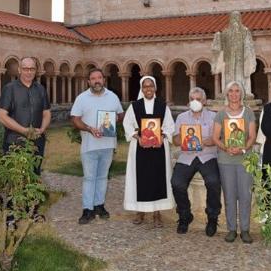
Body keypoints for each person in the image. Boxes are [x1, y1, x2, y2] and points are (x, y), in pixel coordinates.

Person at [71, 68, 124, 225]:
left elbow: (121, 115)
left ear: (104, 80)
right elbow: (75, 119)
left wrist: (113, 121)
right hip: (89, 145)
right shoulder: (82, 98)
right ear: (88, 82)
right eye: (93, 78)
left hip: (108, 145)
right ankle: (88, 209)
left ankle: (99, 205)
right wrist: (89, 128)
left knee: (102, 176)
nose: (97, 81)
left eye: (99, 77)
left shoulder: (112, 97)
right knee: (89, 178)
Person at [123, 76, 175, 227]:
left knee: (158, 179)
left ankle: (157, 214)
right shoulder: (134, 106)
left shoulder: (163, 106)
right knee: (140, 179)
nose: (148, 89)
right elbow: (127, 124)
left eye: (151, 86)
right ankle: (140, 212)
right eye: (145, 86)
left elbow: (170, 126)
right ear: (142, 89)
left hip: (159, 149)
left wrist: (162, 135)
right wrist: (137, 136)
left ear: (155, 88)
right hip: (139, 149)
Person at [171, 87, 221, 236]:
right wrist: (181, 139)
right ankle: (185, 215)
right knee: (176, 182)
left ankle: (212, 217)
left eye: (198, 99)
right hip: (187, 156)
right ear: (188, 102)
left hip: (207, 155)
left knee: (213, 181)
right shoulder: (181, 118)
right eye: (192, 99)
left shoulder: (214, 117)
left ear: (204, 101)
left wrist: (208, 141)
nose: (195, 102)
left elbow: (219, 139)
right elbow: (175, 140)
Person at [212, 81, 256, 244]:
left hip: (245, 159)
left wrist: (243, 148)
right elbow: (216, 137)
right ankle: (231, 229)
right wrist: (226, 148)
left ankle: (245, 229)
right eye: (231, 91)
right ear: (227, 94)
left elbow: (252, 136)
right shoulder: (221, 114)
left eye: (237, 91)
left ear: (241, 94)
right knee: (229, 195)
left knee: (245, 194)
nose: (234, 94)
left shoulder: (249, 113)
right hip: (226, 160)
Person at [0, 56, 51, 174]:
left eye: (32, 69)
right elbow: (2, 116)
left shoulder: (41, 89)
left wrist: (42, 129)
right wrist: (24, 130)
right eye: (25, 69)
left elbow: (46, 113)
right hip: (14, 142)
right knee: (16, 179)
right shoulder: (9, 89)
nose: (29, 72)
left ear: (36, 71)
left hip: (37, 142)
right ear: (19, 70)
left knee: (34, 175)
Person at [211, 11, 256, 96]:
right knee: (228, 77)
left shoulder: (245, 31)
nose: (235, 19)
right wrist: (217, 38)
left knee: (241, 76)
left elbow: (248, 45)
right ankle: (227, 91)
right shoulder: (225, 33)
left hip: (241, 60)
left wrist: (248, 57)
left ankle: (244, 91)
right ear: (230, 19)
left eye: (237, 17)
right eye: (233, 17)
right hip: (228, 60)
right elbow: (219, 48)